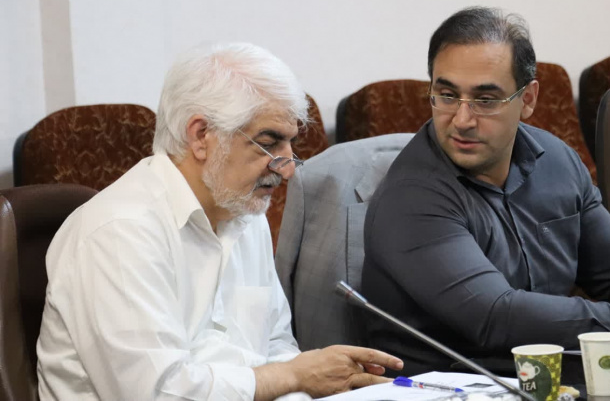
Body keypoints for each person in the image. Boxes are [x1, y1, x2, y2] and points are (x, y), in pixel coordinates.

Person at [37, 42, 403, 401]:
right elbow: (160, 393)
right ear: (201, 136)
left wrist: (307, 383)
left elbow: (276, 346)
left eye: (291, 144)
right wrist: (294, 375)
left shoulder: (244, 212)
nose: (287, 168)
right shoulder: (118, 232)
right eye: (269, 142)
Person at [361, 6, 610, 375]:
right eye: (447, 95)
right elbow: (494, 316)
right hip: (450, 387)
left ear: (528, 99)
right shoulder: (410, 196)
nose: (462, 120)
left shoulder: (557, 161)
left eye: (485, 100)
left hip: (548, 379)